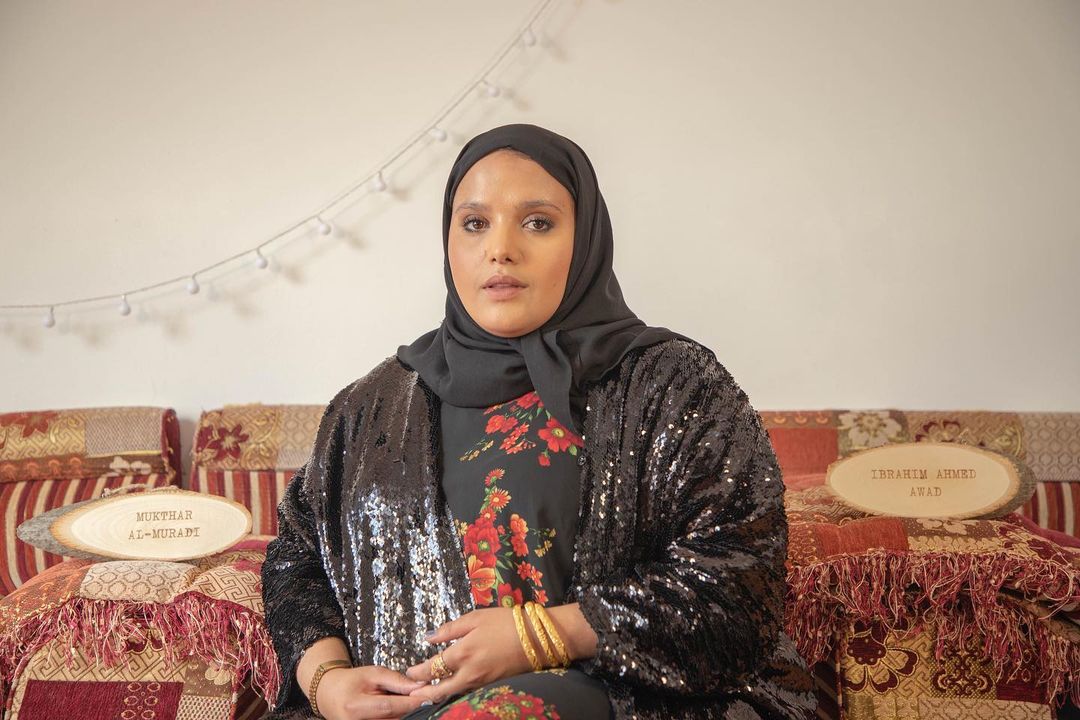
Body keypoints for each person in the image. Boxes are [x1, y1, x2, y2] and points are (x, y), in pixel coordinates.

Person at [260, 123, 816, 720]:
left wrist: (545, 635)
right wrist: (328, 681)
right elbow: (297, 555)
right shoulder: (372, 404)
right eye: (475, 223)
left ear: (586, 241)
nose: (500, 249)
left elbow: (738, 586)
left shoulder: (673, 384)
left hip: (624, 701)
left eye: (538, 222)